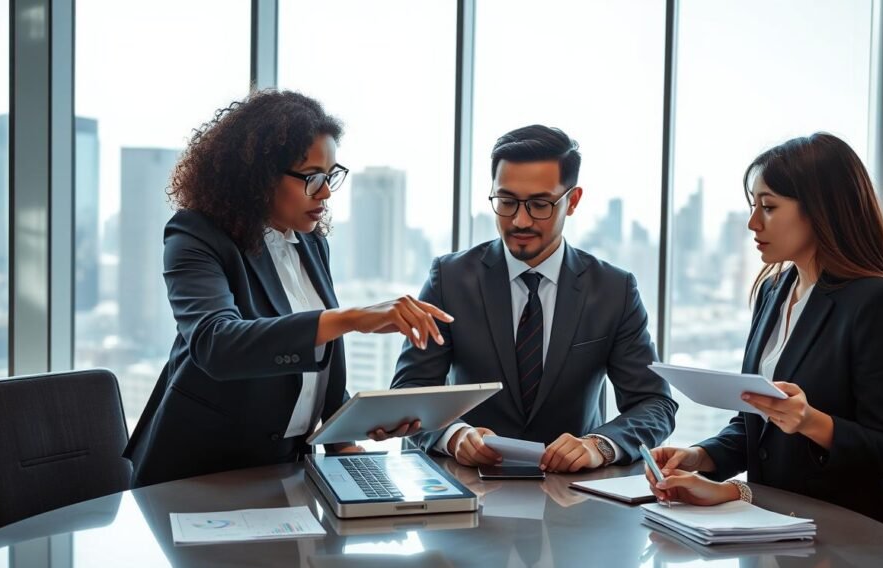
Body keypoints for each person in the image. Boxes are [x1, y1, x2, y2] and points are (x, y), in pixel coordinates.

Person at [124, 90, 448, 487]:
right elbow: (216, 344)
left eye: (330, 177)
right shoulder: (196, 234)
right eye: (312, 178)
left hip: (283, 470)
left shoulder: (311, 243)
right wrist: (350, 319)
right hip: (198, 473)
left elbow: (310, 366)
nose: (326, 192)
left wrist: (346, 430)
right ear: (258, 175)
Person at [646, 132, 883, 533]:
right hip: (777, 525)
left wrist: (810, 421)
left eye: (768, 207)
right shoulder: (773, 290)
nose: (752, 223)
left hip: (851, 536)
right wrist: (700, 457)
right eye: (753, 206)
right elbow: (756, 424)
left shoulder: (876, 301)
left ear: (821, 211)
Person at [392, 124, 677, 473]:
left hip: (574, 498)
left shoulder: (613, 290)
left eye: (540, 204)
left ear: (572, 201)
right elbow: (411, 390)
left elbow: (655, 404)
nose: (520, 220)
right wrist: (453, 436)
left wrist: (599, 446)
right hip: (467, 489)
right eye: (507, 202)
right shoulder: (450, 279)